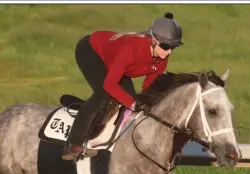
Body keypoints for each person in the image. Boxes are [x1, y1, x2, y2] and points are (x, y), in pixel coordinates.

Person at [62, 12, 184, 160]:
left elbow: (148, 88)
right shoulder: (130, 50)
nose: (169, 51)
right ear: (153, 40)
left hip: (114, 60)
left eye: (173, 47)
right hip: (91, 51)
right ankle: (73, 144)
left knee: (129, 100)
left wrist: (148, 104)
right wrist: (133, 104)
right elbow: (109, 84)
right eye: (165, 46)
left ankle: (100, 121)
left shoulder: (162, 59)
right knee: (103, 94)